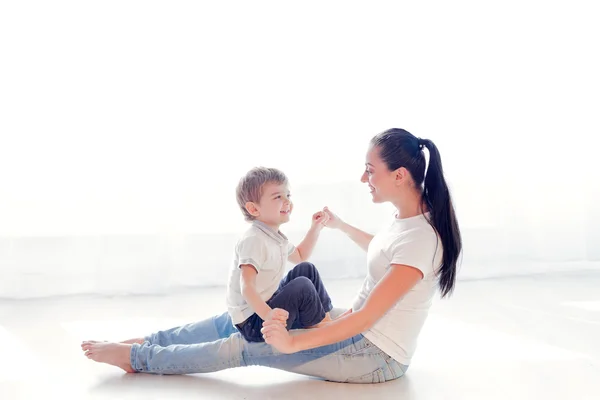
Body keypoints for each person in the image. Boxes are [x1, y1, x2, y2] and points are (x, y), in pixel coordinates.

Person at [81, 128, 462, 384]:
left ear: (398, 176)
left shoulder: (421, 240)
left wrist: (292, 343)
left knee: (247, 346)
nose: (364, 179)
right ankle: (149, 342)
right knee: (238, 317)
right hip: (353, 328)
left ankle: (138, 359)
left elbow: (366, 317)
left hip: (373, 354)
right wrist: (341, 226)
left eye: (369, 170)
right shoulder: (409, 219)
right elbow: (382, 251)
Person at [227, 167, 333, 343]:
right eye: (278, 197)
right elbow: (247, 287)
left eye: (288, 196)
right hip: (253, 323)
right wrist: (268, 315)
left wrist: (316, 228)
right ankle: (322, 329)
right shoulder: (254, 240)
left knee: (306, 270)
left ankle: (325, 319)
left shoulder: (275, 237)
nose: (288, 202)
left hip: (267, 303)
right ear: (254, 209)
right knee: (302, 286)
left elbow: (299, 256)